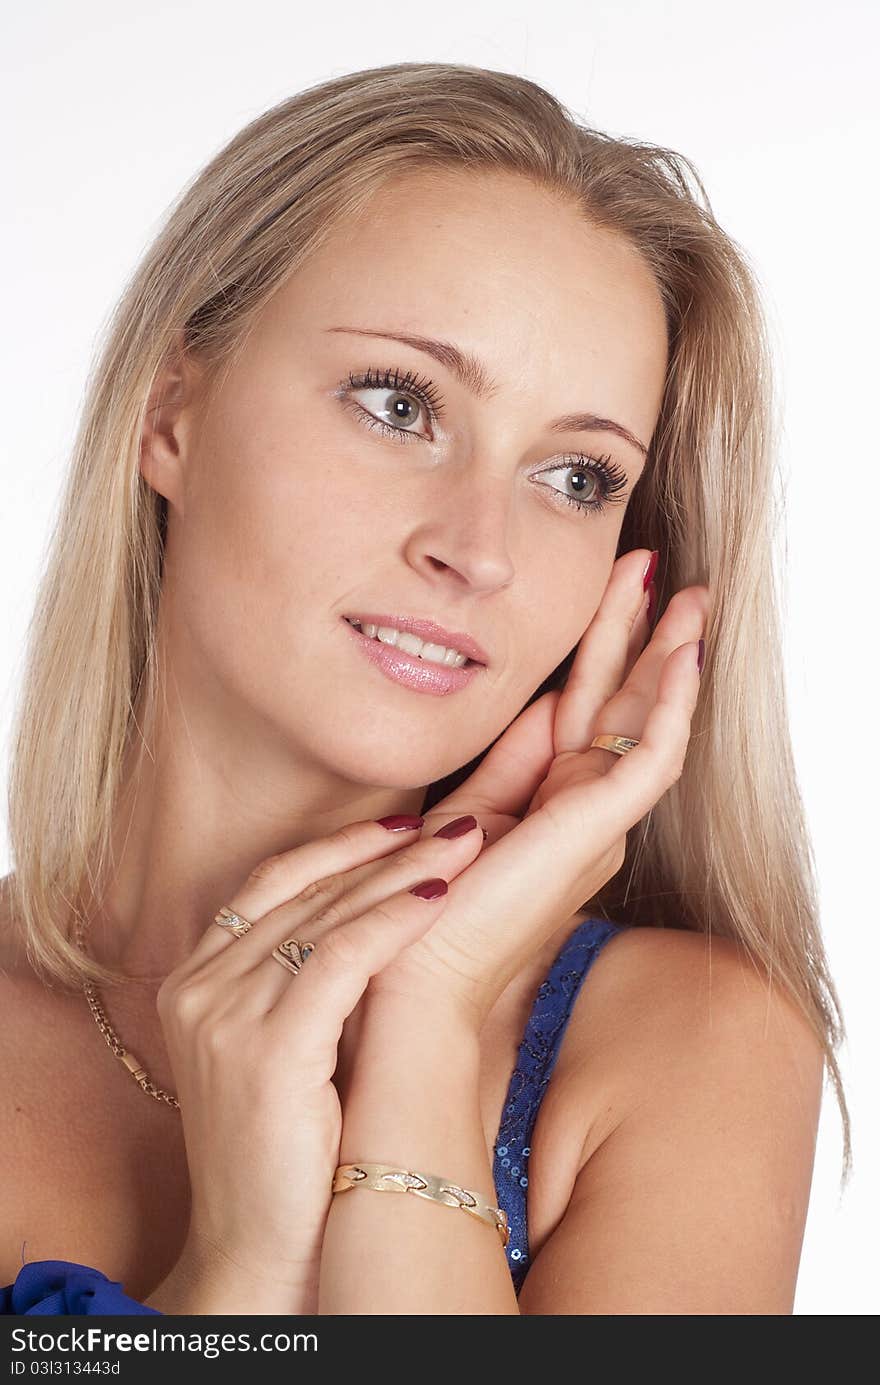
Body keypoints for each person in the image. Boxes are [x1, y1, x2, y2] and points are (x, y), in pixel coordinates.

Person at [0, 61, 847, 1318]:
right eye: (399, 404)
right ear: (171, 411)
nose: (481, 548)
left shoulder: (689, 1044)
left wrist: (427, 1039)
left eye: (575, 478)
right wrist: (234, 1268)